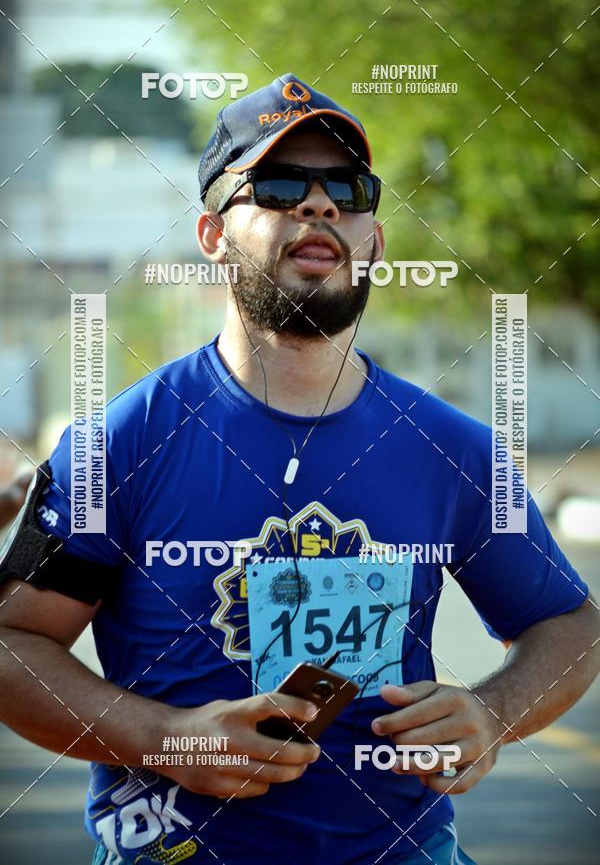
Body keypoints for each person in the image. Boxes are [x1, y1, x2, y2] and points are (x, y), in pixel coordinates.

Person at [0, 74, 598, 865]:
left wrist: (491, 712)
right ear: (212, 234)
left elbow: (570, 625)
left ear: (374, 241)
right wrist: (169, 739)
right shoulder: (116, 445)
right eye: (280, 185)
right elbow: (13, 646)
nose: (318, 206)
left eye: (347, 191)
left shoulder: (455, 449)